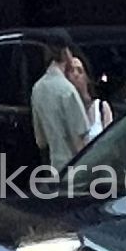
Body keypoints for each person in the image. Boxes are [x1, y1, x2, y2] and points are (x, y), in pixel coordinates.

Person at [32, 38, 95, 173]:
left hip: (55, 167)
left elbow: (41, 141)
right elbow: (79, 143)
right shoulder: (67, 90)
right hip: (76, 169)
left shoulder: (37, 89)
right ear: (66, 53)